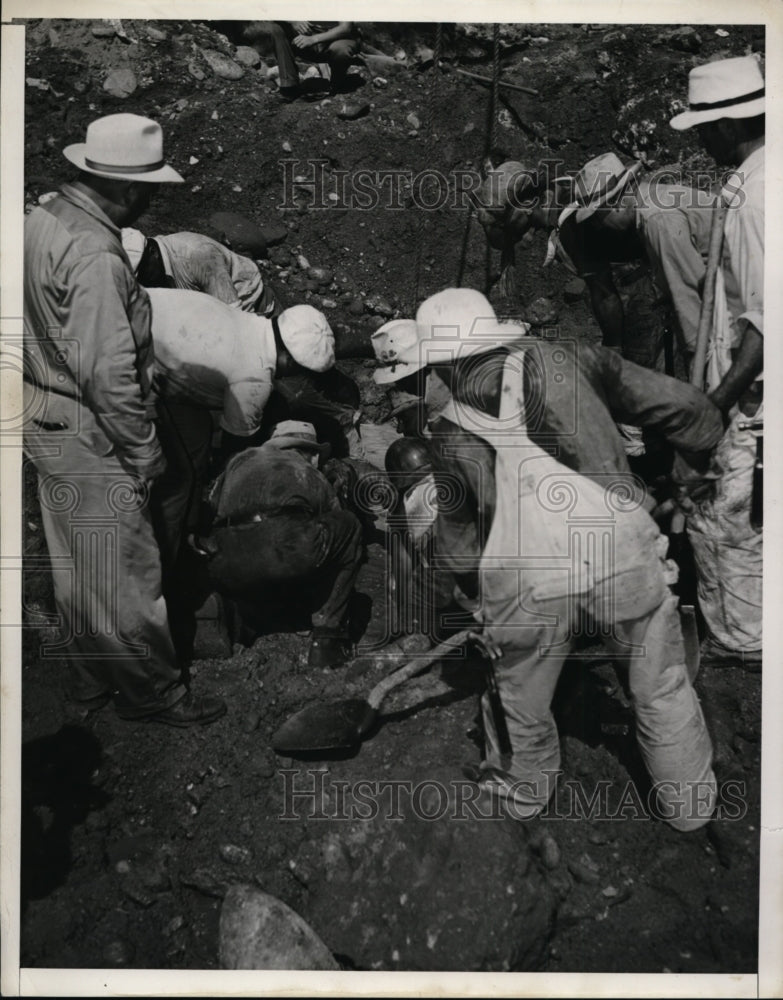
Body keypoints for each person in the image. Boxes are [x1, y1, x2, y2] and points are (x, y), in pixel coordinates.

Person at [372, 288, 722, 830]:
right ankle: (691, 808)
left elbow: (459, 552)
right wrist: (693, 461)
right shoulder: (571, 357)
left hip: (531, 587)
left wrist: (475, 610)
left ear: (441, 361)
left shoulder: (449, 436)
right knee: (660, 685)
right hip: (622, 550)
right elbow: (686, 408)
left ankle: (524, 803)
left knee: (523, 702)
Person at [23, 113, 225, 726]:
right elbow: (109, 375)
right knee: (129, 575)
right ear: (130, 188)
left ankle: (89, 678)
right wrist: (143, 453)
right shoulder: (96, 257)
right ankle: (152, 693)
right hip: (91, 426)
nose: (151, 202)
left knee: (77, 563)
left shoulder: (44, 218)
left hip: (44, 409)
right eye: (151, 191)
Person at [669, 54, 764, 667]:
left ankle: (742, 642)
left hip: (754, 394)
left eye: (704, 130)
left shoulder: (757, 200)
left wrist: (714, 409)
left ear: (728, 125)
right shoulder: (759, 178)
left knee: (722, 515)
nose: (701, 142)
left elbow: (765, 323)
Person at [143, 289, 338, 575]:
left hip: (150, 328)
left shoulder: (250, 322)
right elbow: (233, 454)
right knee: (178, 481)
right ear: (289, 360)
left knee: (196, 442)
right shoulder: (255, 378)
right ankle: (163, 568)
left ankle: (190, 530)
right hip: (131, 352)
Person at [193, 422, 364, 669]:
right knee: (348, 526)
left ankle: (227, 615)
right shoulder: (307, 470)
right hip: (283, 549)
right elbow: (332, 528)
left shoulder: (238, 461)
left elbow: (211, 509)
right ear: (312, 454)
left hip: (226, 560)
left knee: (239, 548)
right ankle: (328, 638)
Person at [121, 227, 281, 318]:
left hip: (253, 311)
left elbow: (234, 319)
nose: (140, 283)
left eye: (140, 274)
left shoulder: (198, 255)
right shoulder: (152, 264)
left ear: (152, 252)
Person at [244, 21, 361, 100]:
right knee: (275, 28)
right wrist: (293, 20)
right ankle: (289, 85)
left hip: (334, 39)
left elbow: (346, 28)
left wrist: (313, 39)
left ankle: (336, 86)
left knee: (340, 50)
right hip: (307, 39)